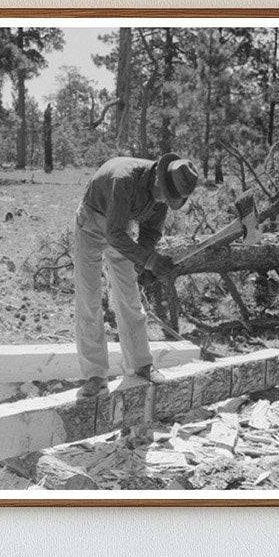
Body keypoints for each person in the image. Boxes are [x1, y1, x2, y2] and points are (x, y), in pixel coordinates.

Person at [73, 152, 200, 397]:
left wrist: (145, 264)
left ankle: (141, 365)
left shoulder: (164, 197)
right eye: (166, 195)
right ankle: (95, 376)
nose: (166, 201)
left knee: (130, 297)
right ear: (158, 179)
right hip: (92, 223)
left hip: (119, 229)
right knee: (89, 299)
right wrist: (150, 260)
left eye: (171, 199)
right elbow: (115, 235)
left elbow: (150, 232)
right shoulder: (124, 180)